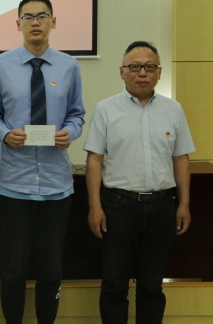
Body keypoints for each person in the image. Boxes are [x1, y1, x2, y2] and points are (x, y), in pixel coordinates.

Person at [0, 0, 85, 324]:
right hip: (13, 184)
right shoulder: (0, 66)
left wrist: (70, 132)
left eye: (42, 16)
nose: (35, 22)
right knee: (13, 268)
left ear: (53, 22)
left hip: (56, 184)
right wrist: (4, 134)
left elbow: (77, 115)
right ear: (18, 24)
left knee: (51, 270)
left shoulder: (69, 66)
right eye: (28, 17)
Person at [83, 41, 194, 324]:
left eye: (149, 67)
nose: (142, 73)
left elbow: (181, 158)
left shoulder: (173, 110)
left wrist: (184, 204)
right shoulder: (106, 109)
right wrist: (95, 207)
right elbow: (94, 160)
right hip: (118, 207)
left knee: (152, 285)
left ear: (159, 72)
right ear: (122, 72)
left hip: (161, 207)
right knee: (114, 284)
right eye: (134, 67)